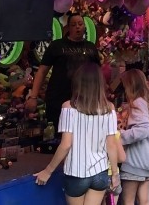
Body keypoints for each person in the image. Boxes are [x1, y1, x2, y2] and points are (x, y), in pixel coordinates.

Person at [33, 62, 119, 205]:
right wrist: (115, 174)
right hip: (100, 173)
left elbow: (66, 144)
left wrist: (48, 171)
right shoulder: (109, 108)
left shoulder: (68, 107)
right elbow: (111, 145)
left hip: (76, 173)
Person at [26, 13, 101, 131]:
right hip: (58, 99)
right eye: (74, 25)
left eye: (80, 24)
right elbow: (42, 71)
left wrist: (101, 95)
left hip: (85, 99)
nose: (77, 27)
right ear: (68, 28)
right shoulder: (57, 45)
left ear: (84, 27)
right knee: (58, 133)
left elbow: (98, 74)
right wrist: (33, 97)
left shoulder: (91, 48)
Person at [119, 69, 149, 205]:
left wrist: (120, 136)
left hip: (136, 160)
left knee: (128, 200)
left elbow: (142, 130)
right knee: (144, 200)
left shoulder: (137, 102)